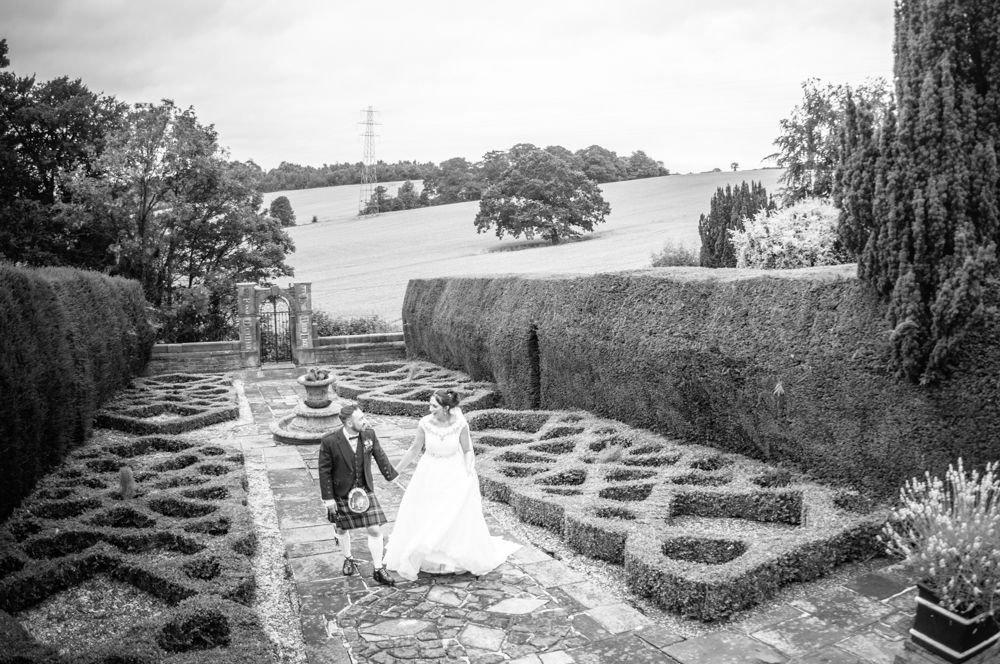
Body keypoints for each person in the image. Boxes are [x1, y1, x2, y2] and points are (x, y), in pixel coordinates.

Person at [383, 388, 520, 581]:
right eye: (430, 405)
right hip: (428, 473)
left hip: (453, 473)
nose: (430, 409)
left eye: (434, 406)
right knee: (427, 513)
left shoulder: (460, 425)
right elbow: (414, 450)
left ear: (447, 408)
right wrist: (395, 471)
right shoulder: (424, 424)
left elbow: (467, 450)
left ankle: (450, 558)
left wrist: (468, 470)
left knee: (450, 514)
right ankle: (426, 556)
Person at [318, 403, 399, 586]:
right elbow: (324, 472)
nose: (365, 420)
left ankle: (378, 569)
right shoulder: (330, 441)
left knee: (375, 529)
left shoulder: (369, 434)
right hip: (342, 492)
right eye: (360, 418)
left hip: (364, 490)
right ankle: (348, 557)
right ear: (348, 422)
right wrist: (328, 499)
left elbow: (380, 455)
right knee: (341, 529)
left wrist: (392, 476)